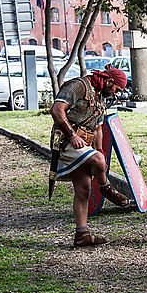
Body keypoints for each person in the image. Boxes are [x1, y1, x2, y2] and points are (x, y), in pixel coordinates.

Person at [49, 65, 130, 246]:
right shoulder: (78, 86)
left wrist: (99, 148)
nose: (116, 93)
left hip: (85, 143)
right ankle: (107, 188)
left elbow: (98, 127)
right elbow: (56, 110)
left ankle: (81, 235)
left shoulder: (101, 96)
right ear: (110, 81)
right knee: (98, 161)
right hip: (67, 141)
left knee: (83, 189)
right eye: (117, 88)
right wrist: (72, 135)